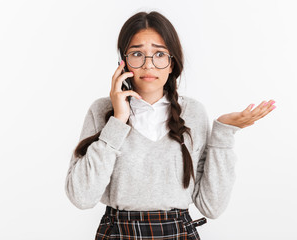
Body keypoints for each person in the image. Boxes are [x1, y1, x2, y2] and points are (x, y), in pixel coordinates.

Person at [65, 11, 276, 240]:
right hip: (118, 232)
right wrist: (118, 120)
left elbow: (211, 206)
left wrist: (223, 134)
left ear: (171, 63)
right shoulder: (102, 111)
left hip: (179, 233)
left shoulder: (193, 113)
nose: (149, 65)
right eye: (137, 54)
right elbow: (82, 197)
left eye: (159, 54)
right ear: (123, 62)